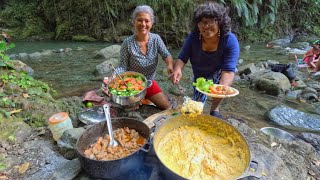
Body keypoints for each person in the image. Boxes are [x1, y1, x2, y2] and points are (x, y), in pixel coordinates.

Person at [171, 2, 239, 119]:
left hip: (219, 71)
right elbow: (182, 58)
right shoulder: (193, 37)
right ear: (197, 24)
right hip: (199, 73)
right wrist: (177, 69)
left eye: (211, 21)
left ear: (220, 22)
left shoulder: (229, 40)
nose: (206, 26)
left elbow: (228, 71)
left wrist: (220, 89)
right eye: (202, 22)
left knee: (219, 89)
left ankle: (214, 109)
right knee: (197, 105)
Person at [113, 5, 174, 110]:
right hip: (131, 85)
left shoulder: (156, 39)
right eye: (139, 20)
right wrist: (114, 75)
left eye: (147, 21)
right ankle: (139, 100)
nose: (143, 24)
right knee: (128, 110)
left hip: (149, 82)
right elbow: (123, 66)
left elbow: (166, 54)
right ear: (134, 22)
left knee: (167, 107)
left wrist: (169, 65)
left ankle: (145, 98)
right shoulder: (127, 43)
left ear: (152, 23)